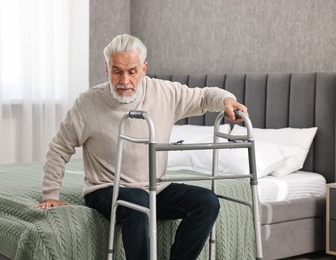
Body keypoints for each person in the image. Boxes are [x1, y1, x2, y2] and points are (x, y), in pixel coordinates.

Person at [35, 34, 248, 260]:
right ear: (106, 68)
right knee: (138, 202)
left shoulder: (165, 93)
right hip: (106, 189)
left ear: (144, 69)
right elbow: (59, 147)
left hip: (156, 189)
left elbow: (205, 96)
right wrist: (51, 194)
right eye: (117, 71)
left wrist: (227, 99)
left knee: (207, 202)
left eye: (132, 71)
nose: (124, 80)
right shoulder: (87, 103)